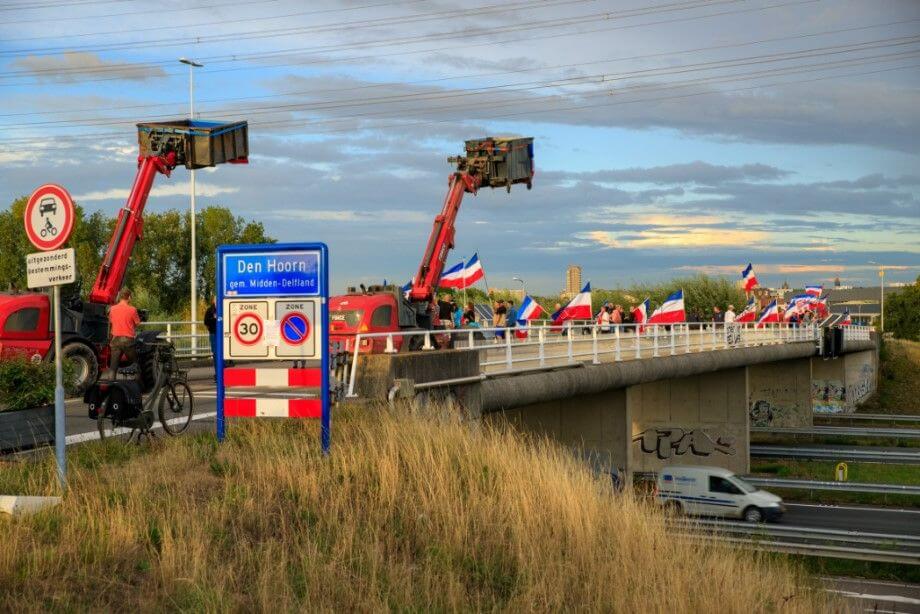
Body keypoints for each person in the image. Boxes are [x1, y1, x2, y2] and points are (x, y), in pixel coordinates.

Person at [108, 288, 141, 383]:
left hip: (115, 341)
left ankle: (111, 388)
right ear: (129, 297)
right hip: (128, 341)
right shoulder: (132, 309)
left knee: (113, 368)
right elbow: (138, 323)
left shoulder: (112, 309)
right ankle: (139, 387)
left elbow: (111, 322)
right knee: (135, 365)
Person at [204, 297, 218, 381]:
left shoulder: (224, 308)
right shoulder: (210, 310)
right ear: (213, 301)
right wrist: (211, 329)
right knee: (216, 354)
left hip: (223, 335)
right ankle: (218, 374)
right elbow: (206, 322)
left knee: (223, 355)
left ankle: (222, 374)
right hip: (214, 334)